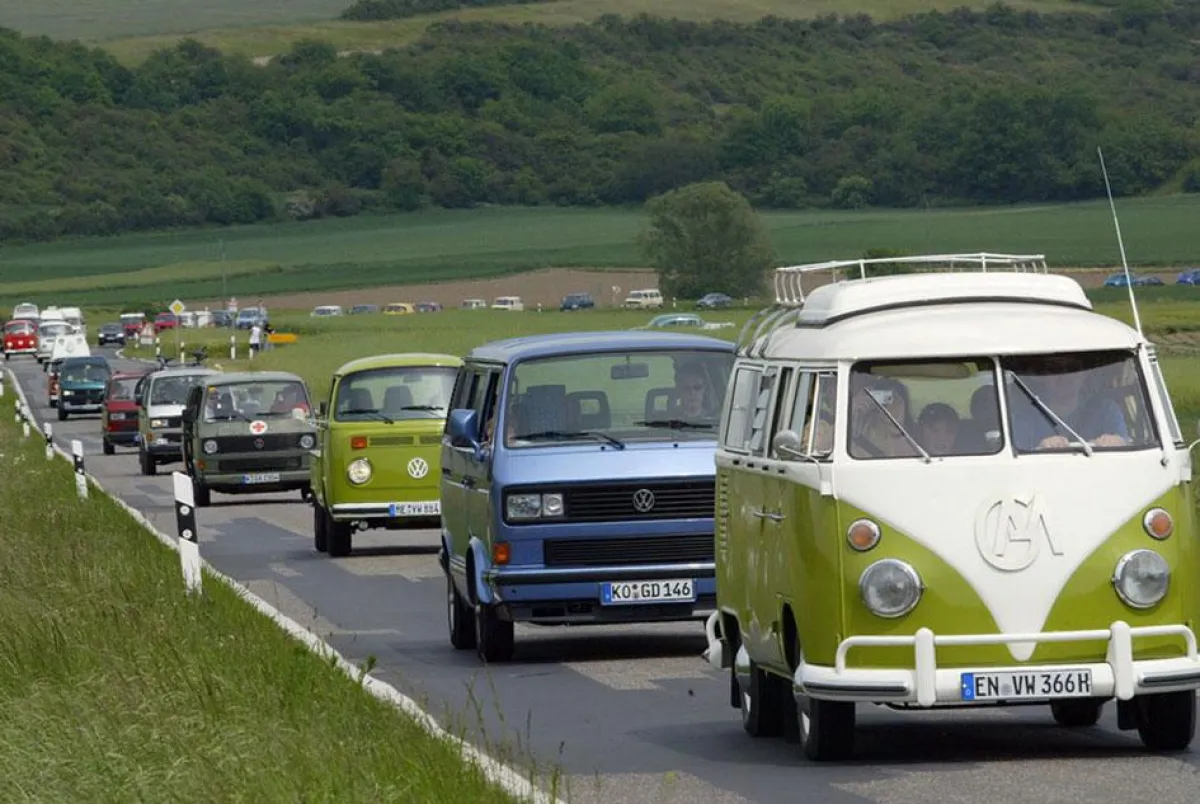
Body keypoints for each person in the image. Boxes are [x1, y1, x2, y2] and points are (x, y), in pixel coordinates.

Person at [1008, 354, 1128, 451]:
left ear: (1084, 374)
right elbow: (1017, 455)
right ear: (1043, 376)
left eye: (1072, 369)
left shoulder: (1106, 410)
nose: (1064, 377)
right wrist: (1041, 447)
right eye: (1055, 370)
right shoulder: (1024, 417)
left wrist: (1114, 441)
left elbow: (1126, 446)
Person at [850, 374, 918, 458]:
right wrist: (851, 410)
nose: (889, 402)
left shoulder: (912, 437)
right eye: (880, 396)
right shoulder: (861, 429)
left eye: (893, 399)